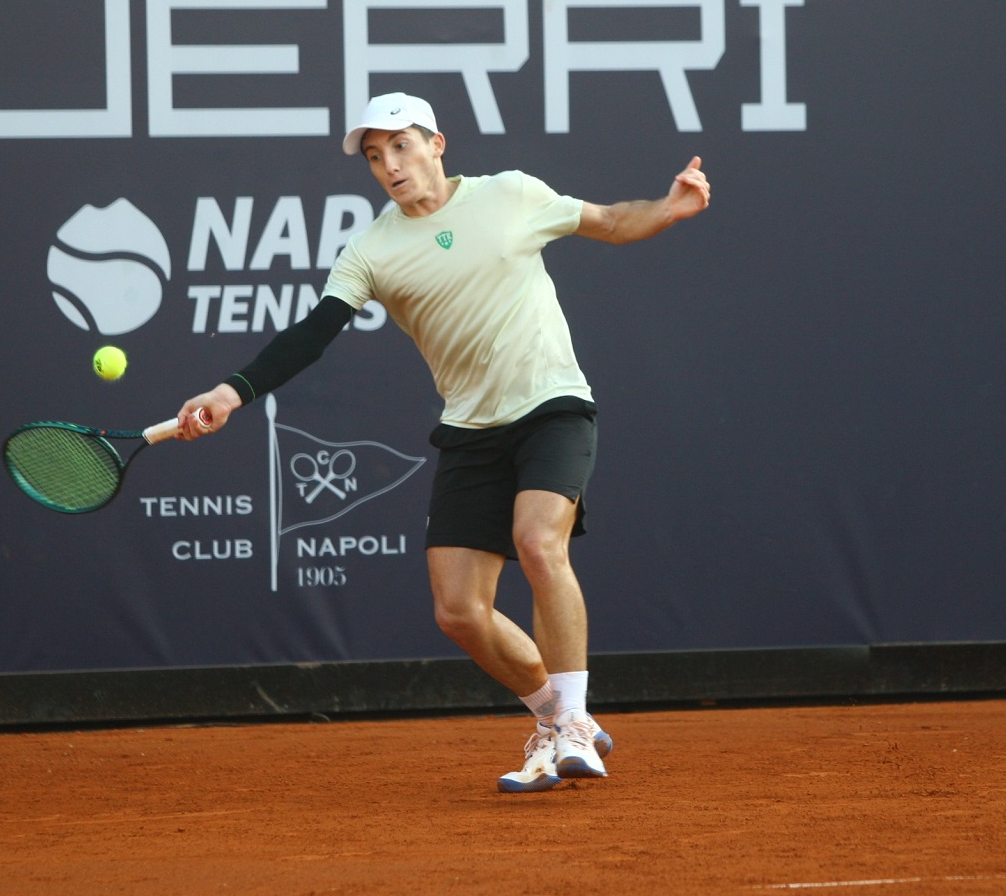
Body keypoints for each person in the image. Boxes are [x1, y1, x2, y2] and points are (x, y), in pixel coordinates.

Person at [174, 91, 711, 793]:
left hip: (552, 404)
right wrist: (230, 392)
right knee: (458, 611)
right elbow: (311, 334)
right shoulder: (372, 250)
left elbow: (609, 221)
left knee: (537, 542)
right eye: (375, 156)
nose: (389, 166)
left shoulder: (511, 194)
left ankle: (576, 721)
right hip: (469, 430)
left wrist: (667, 208)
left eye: (400, 146)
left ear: (437, 144)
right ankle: (552, 718)